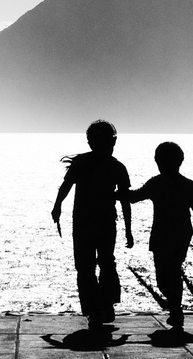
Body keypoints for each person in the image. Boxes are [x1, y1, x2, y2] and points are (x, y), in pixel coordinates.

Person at [125, 141, 193, 333]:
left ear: (158, 161)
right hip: (179, 233)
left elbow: (135, 197)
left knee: (167, 273)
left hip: (169, 233)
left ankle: (176, 309)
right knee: (168, 273)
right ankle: (176, 306)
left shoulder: (165, 184)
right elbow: (135, 197)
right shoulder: (174, 184)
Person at [51, 120, 132, 331]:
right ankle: (104, 306)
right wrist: (129, 230)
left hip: (85, 223)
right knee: (105, 263)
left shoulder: (83, 163)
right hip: (102, 223)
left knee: (87, 267)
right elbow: (124, 200)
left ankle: (97, 310)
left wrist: (57, 206)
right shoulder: (116, 166)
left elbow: (66, 186)